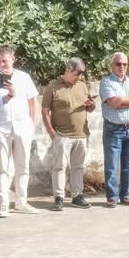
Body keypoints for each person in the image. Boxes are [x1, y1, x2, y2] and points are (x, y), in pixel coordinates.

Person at [0, 45, 40, 217]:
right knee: (2, 166)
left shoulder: (23, 77)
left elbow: (33, 100)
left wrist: (32, 123)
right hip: (1, 126)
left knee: (23, 165)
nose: (1, 64)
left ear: (13, 59)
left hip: (22, 126)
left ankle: (21, 201)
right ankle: (3, 203)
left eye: (4, 60)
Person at [41, 57, 95, 211]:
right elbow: (45, 111)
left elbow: (89, 108)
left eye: (82, 73)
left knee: (78, 167)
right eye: (78, 73)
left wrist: (91, 105)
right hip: (62, 134)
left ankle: (77, 195)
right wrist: (51, 132)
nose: (80, 76)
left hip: (81, 134)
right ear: (68, 70)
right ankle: (59, 198)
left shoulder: (82, 86)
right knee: (59, 167)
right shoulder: (52, 87)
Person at [100, 52, 129, 207]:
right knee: (112, 165)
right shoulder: (106, 82)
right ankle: (112, 196)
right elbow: (113, 103)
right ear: (112, 65)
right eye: (118, 64)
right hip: (113, 129)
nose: (122, 67)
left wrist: (122, 101)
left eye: (125, 64)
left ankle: (125, 195)